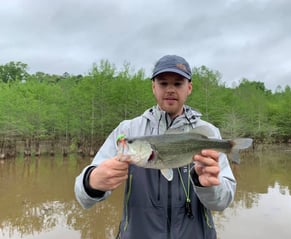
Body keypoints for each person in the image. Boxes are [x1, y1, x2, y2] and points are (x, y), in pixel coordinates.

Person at [74, 55, 236, 239]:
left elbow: (223, 202)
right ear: (153, 87)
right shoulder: (127, 131)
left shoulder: (209, 134)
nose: (170, 90)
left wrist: (209, 186)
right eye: (163, 83)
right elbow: (82, 197)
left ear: (189, 88)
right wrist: (92, 182)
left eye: (177, 83)